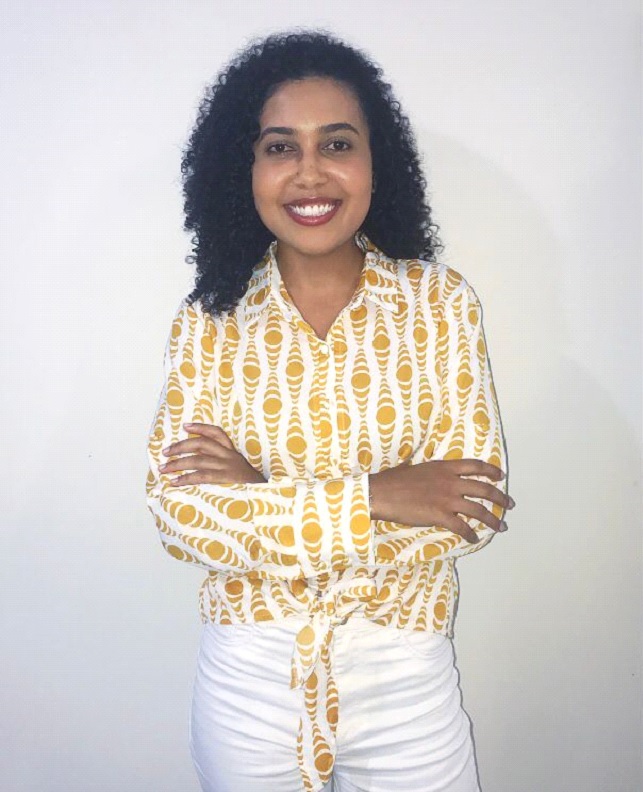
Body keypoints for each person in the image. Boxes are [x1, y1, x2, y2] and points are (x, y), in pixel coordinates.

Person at [145, 30, 514, 792]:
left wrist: (259, 495)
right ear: (244, 168)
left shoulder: (438, 305)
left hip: (404, 672)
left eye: (336, 144)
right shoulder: (207, 323)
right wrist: (379, 494)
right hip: (251, 680)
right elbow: (181, 519)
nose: (309, 172)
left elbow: (468, 513)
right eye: (280, 147)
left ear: (377, 162)